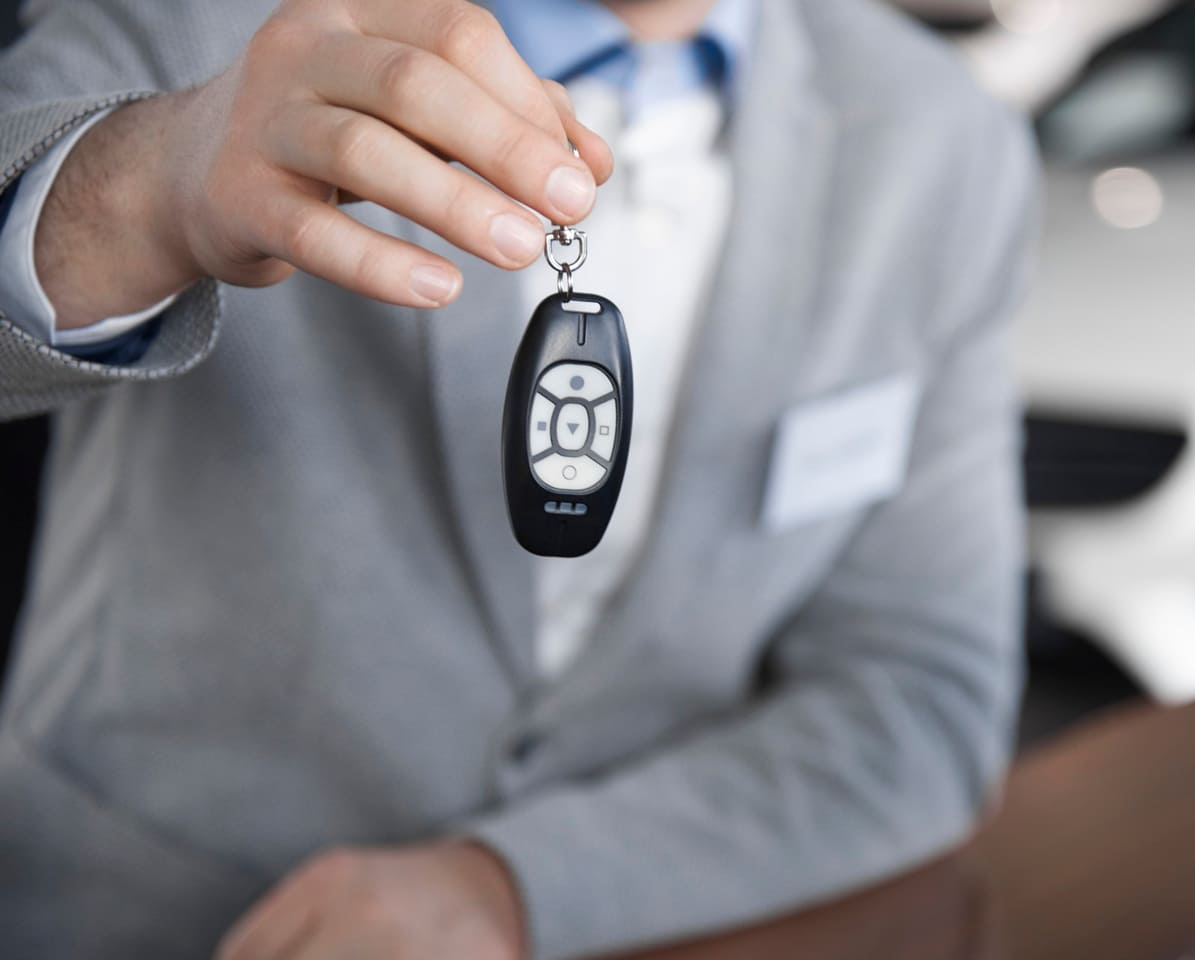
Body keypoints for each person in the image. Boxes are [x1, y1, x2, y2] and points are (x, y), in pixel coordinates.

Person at [0, 0, 1036, 957]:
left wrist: (518, 886)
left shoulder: (947, 143)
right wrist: (138, 190)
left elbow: (919, 697)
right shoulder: (222, 16)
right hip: (140, 919)